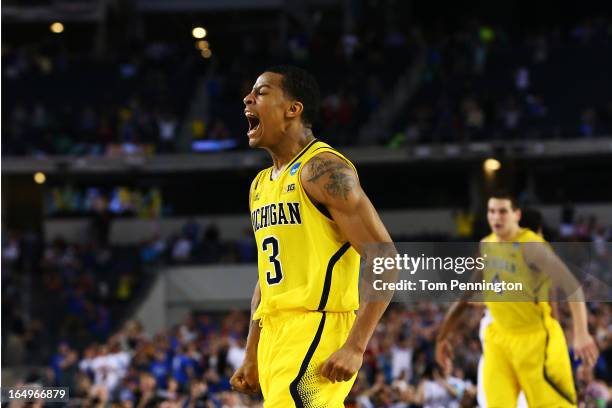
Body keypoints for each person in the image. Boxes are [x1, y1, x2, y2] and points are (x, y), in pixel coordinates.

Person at [230, 65, 393, 406]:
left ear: (293, 109)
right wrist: (252, 351)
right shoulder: (260, 185)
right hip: (276, 335)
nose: (248, 97)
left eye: (261, 92)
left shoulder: (323, 169)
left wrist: (355, 346)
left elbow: (385, 258)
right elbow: (267, 279)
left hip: (318, 330)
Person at [436, 191, 599, 407]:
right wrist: (442, 337)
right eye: (492, 211)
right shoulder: (487, 245)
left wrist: (581, 332)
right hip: (499, 340)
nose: (496, 217)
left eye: (503, 211)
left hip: (534, 341)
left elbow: (571, 286)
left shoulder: (531, 247)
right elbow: (466, 294)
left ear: (516, 215)